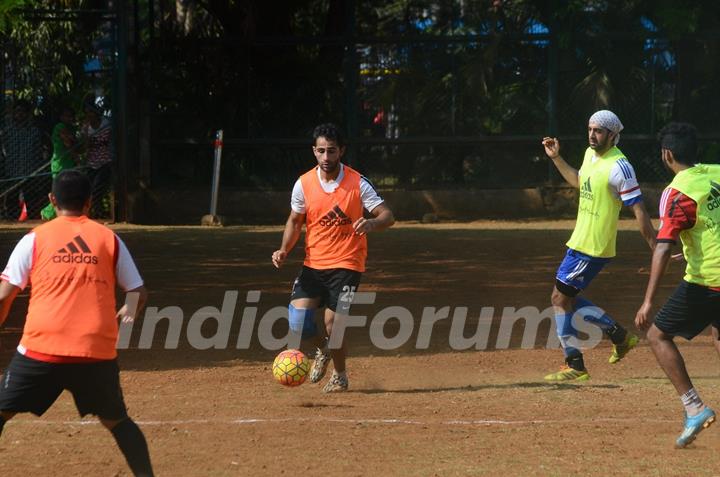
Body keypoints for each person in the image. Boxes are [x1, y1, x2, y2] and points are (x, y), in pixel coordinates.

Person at [0, 170, 154, 476]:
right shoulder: (108, 238)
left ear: (51, 200)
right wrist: (129, 310)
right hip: (94, 352)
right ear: (88, 202)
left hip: (41, 349)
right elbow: (137, 291)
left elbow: (4, 294)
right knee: (118, 421)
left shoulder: (34, 239)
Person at [272, 123, 395, 392]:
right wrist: (284, 250)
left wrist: (372, 224)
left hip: (348, 264)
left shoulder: (357, 182)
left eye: (332, 151)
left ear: (342, 151)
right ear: (314, 152)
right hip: (313, 265)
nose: (326, 158)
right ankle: (323, 350)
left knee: (333, 324)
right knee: (298, 322)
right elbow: (295, 221)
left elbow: (388, 215)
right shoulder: (303, 183)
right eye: (321, 151)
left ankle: (340, 375)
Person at [542, 110, 655, 381]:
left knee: (559, 298)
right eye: (590, 129)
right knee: (565, 297)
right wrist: (556, 158)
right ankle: (619, 335)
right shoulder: (589, 154)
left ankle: (575, 364)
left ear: (613, 135)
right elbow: (580, 183)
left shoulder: (621, 167)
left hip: (594, 246)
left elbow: (638, 209)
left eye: (599, 130)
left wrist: (656, 244)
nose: (592, 134)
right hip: (580, 240)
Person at [635, 122, 720, 448]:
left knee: (657, 334)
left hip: (708, 281)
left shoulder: (677, 193)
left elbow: (662, 246)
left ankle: (694, 407)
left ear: (666, 154)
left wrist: (647, 301)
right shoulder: (715, 172)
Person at [0, 99, 45, 220]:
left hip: (30, 172)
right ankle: (11, 223)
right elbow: (4, 150)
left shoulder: (34, 131)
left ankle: (32, 226)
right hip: (12, 172)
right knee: (11, 202)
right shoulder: (7, 131)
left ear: (27, 113)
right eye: (17, 111)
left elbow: (39, 151)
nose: (20, 114)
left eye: (22, 112)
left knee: (32, 202)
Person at [41, 106, 80, 221]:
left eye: (70, 116)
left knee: (68, 188)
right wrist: (77, 157)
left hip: (68, 162)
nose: (68, 118)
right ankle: (46, 213)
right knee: (59, 189)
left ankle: (57, 213)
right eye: (65, 116)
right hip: (60, 162)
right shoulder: (60, 127)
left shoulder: (71, 128)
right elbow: (68, 143)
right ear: (61, 117)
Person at [80, 102, 113, 219]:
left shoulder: (106, 124)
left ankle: (98, 212)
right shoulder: (86, 127)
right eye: (87, 113)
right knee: (89, 189)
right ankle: (95, 212)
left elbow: (110, 141)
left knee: (98, 187)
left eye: (91, 112)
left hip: (105, 161)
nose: (89, 115)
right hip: (91, 162)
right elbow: (86, 146)